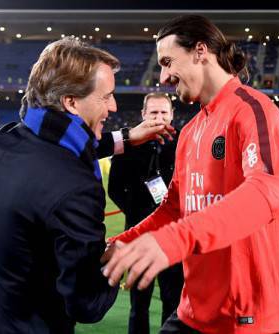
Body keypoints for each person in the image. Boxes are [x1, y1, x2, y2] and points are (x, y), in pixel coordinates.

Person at [0, 37, 172, 334]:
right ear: (72, 102)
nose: (114, 106)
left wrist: (126, 137)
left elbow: (63, 143)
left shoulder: (2, 138)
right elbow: (86, 303)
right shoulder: (75, 187)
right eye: (106, 97)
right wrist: (115, 259)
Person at [102, 15, 279, 333]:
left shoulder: (253, 110)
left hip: (248, 318)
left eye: (167, 62)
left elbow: (267, 191)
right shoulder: (191, 131)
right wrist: (121, 243)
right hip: (193, 311)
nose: (163, 76)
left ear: (200, 51)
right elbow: (174, 210)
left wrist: (171, 241)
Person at [108, 92, 183, 334]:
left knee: (173, 302)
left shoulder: (184, 142)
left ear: (172, 115)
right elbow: (115, 188)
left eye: (163, 112)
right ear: (143, 114)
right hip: (139, 234)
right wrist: (139, 213)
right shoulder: (128, 145)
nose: (159, 117)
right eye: (153, 112)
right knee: (138, 303)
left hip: (175, 235)